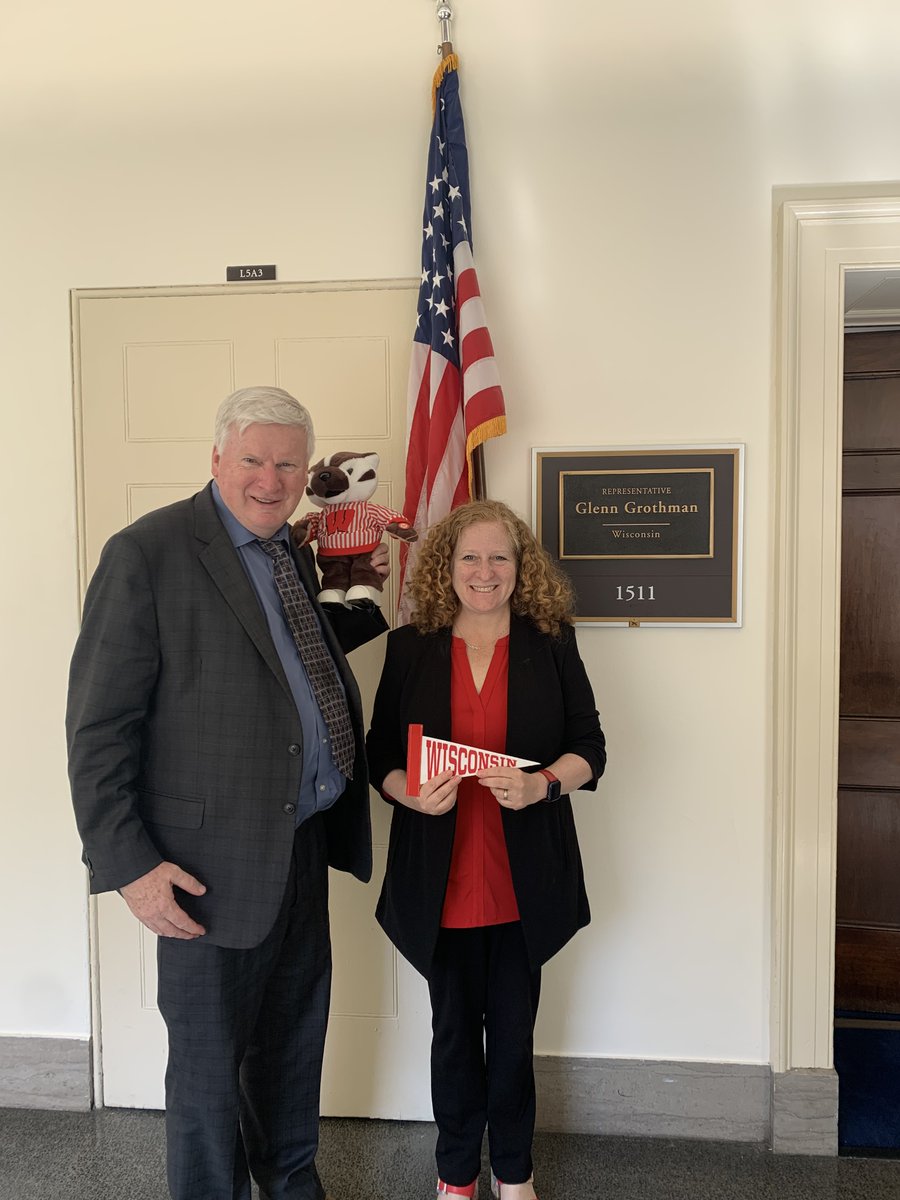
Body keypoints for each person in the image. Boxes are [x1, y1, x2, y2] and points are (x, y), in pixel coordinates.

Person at [66, 386, 389, 1200]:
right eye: (252, 459)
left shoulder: (291, 551)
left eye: (286, 463)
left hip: (300, 849)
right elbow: (98, 728)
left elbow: (282, 669)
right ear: (217, 459)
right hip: (202, 871)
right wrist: (132, 867)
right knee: (210, 1085)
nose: (270, 478)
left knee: (290, 1055)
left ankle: (291, 1187)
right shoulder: (148, 553)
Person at [365, 500, 607, 1200]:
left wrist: (544, 788)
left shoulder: (550, 640)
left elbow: (589, 748)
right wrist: (405, 792)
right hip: (438, 878)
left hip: (522, 878)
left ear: (520, 567)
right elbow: (380, 753)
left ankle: (513, 1172)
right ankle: (454, 1174)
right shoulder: (410, 645)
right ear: (446, 565)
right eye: (470, 556)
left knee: (511, 1037)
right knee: (451, 1038)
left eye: (499, 556)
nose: (485, 570)